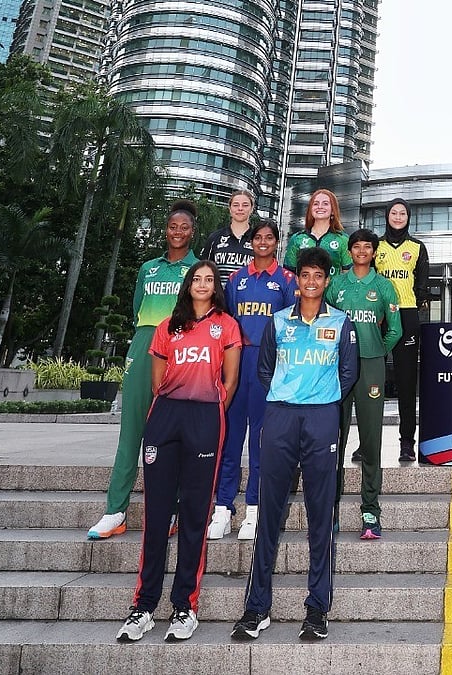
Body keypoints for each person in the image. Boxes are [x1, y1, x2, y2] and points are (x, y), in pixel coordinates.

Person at [233, 247, 358, 642]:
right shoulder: (278, 321)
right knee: (269, 512)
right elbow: (265, 369)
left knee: (321, 516)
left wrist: (318, 398)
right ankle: (257, 607)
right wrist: (289, 397)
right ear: (298, 279)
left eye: (318, 275)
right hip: (281, 416)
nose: (310, 281)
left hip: (322, 419)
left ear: (326, 281)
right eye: (304, 274)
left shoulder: (341, 322)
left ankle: (317, 609)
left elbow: (349, 371)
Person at [115, 261, 242, 643]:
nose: (202, 284)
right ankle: (143, 606)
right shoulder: (167, 326)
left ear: (215, 287)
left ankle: (184, 605)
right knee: (156, 515)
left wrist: (211, 406)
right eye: (196, 279)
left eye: (209, 280)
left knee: (193, 515)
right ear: (187, 286)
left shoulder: (227, 325)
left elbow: (230, 381)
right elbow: (157, 381)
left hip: (205, 418)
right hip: (166, 418)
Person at [89, 200, 200, 540]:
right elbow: (138, 307)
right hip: (143, 343)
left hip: (181, 347)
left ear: (193, 232)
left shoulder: (197, 270)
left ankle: (170, 511)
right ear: (165, 230)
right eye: (172, 226)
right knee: (131, 431)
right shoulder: (148, 268)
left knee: (174, 436)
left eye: (184, 227)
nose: (177, 232)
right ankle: (114, 511)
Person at [208, 220, 298, 541]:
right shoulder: (236, 279)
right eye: (257, 237)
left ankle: (254, 510)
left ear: (276, 243)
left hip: (267, 365)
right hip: (237, 363)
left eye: (268, 238)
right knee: (230, 438)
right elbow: (226, 322)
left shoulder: (286, 279)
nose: (262, 242)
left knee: (261, 441)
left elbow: (292, 328)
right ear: (251, 242)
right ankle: (222, 508)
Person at [328, 228, 402, 539]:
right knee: (333, 440)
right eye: (356, 247)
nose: (361, 252)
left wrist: (376, 351)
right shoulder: (337, 285)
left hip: (371, 367)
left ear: (374, 252)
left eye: (366, 247)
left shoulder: (385, 287)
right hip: (337, 367)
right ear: (350, 251)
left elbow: (395, 330)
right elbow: (324, 322)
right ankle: (328, 510)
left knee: (371, 440)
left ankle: (370, 511)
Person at [374, 198, 429, 462]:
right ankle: (367, 442)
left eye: (402, 213)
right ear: (387, 216)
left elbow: (423, 285)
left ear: (409, 217)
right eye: (393, 212)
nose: (398, 216)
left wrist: (412, 308)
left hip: (406, 314)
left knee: (407, 382)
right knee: (371, 379)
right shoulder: (377, 246)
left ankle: (407, 442)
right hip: (378, 315)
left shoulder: (417, 247)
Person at [284, 188, 351, 278]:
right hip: (304, 291)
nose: (320, 207)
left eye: (325, 204)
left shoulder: (343, 239)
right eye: (316, 204)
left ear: (333, 210)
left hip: (333, 291)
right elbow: (288, 275)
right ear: (310, 209)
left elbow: (349, 275)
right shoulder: (297, 239)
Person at [199, 190, 257, 286]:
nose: (240, 208)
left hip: (248, 299)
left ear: (251, 209)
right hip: (219, 298)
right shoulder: (214, 238)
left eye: (245, 205)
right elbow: (203, 270)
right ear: (230, 208)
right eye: (236, 205)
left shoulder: (258, 240)